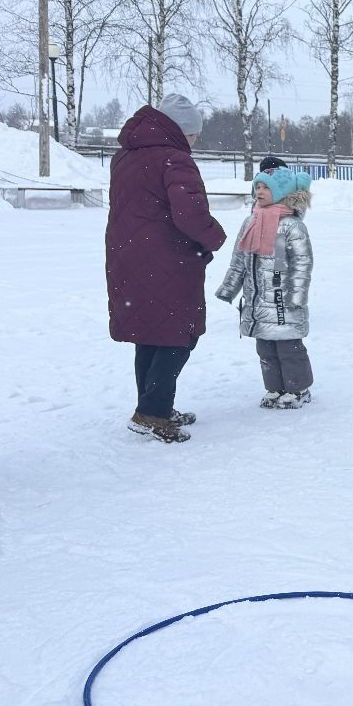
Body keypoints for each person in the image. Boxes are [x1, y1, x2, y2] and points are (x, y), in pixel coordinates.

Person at [106, 93, 227, 444]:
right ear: (181, 130)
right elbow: (191, 215)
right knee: (179, 335)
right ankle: (151, 413)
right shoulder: (175, 158)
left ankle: (154, 406)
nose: (194, 141)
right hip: (167, 261)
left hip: (128, 257)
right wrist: (215, 237)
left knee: (150, 334)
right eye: (194, 134)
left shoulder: (124, 156)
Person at [216, 167, 316, 409]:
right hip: (257, 298)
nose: (259, 192)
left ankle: (298, 388)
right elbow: (239, 260)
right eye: (257, 187)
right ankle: (275, 387)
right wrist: (229, 288)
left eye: (266, 187)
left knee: (288, 345)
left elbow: (302, 263)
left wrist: (297, 295)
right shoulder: (251, 221)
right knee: (265, 347)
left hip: (283, 299)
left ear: (281, 191)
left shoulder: (291, 226)